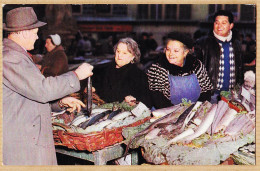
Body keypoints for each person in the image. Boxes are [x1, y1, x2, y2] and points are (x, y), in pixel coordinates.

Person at [3, 7, 94, 165]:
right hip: (23, 144)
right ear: (24, 32)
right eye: (35, 32)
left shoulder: (16, 55)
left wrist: (58, 103)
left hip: (28, 136)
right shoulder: (11, 57)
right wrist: (77, 75)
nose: (37, 36)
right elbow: (43, 89)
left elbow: (27, 96)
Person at [147, 32, 213, 109]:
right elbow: (159, 101)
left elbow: (206, 90)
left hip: (195, 111)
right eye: (168, 50)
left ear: (185, 52)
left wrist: (197, 109)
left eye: (176, 51)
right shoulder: (157, 68)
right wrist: (179, 114)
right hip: (167, 113)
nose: (171, 54)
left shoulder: (196, 65)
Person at [193, 10, 243, 103]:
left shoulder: (236, 44)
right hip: (211, 95)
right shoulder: (202, 43)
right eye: (217, 22)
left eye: (224, 23)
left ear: (231, 25)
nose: (219, 26)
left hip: (231, 94)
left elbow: (240, 68)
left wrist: (238, 88)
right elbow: (194, 70)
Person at [88, 37, 152, 107]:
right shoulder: (103, 70)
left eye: (124, 53)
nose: (119, 56)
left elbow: (147, 102)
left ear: (133, 56)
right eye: (118, 51)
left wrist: (135, 102)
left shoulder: (139, 76)